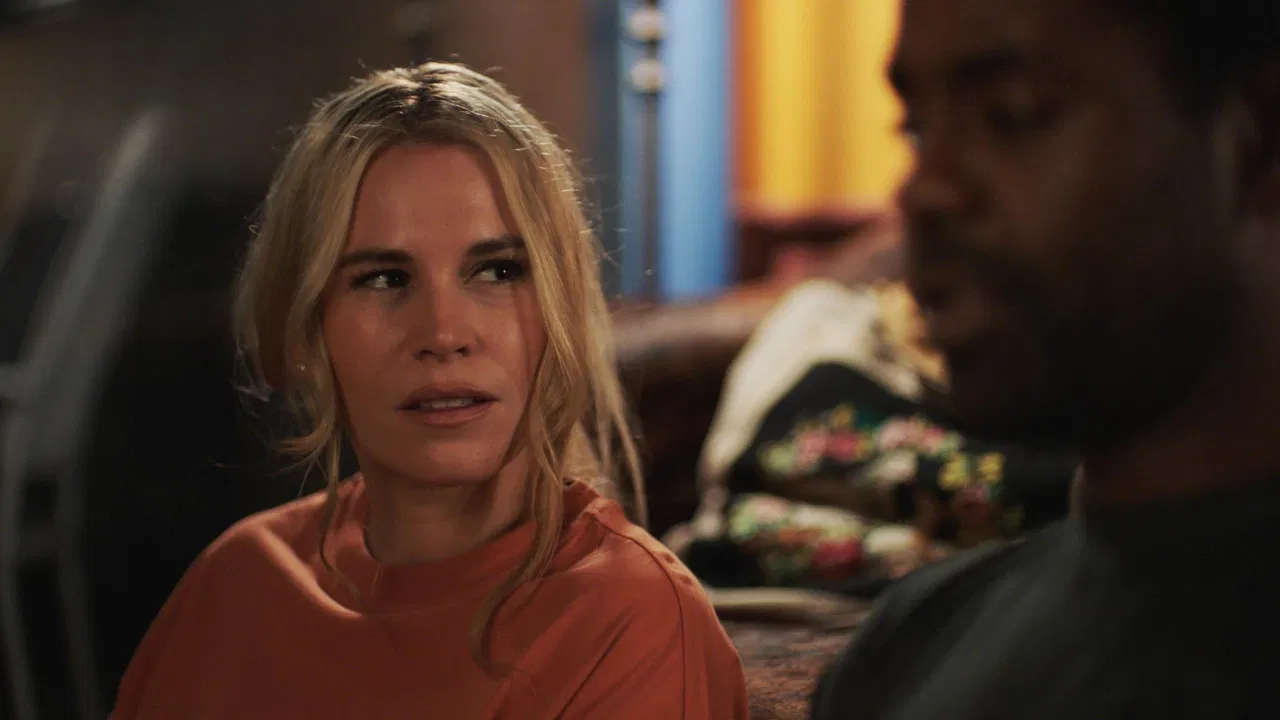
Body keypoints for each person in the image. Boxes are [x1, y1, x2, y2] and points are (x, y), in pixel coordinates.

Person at [111, 62, 748, 719]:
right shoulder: (239, 582)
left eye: (497, 271)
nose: (444, 334)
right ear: (306, 326)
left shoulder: (627, 622)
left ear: (559, 306)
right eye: (384, 279)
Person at [812, 1, 1280, 718]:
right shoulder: (908, 645)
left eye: (1013, 114)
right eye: (918, 127)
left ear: (1257, 137)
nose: (922, 189)